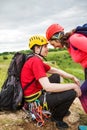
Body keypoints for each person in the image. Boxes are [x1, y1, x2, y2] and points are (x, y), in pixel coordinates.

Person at [21, 35, 81, 129]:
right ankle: (57, 118)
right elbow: (48, 87)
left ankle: (56, 108)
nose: (47, 49)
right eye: (44, 46)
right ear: (37, 48)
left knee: (56, 76)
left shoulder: (34, 59)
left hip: (36, 93)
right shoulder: (35, 61)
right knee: (71, 93)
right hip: (34, 101)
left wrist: (72, 77)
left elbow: (54, 70)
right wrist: (73, 85)